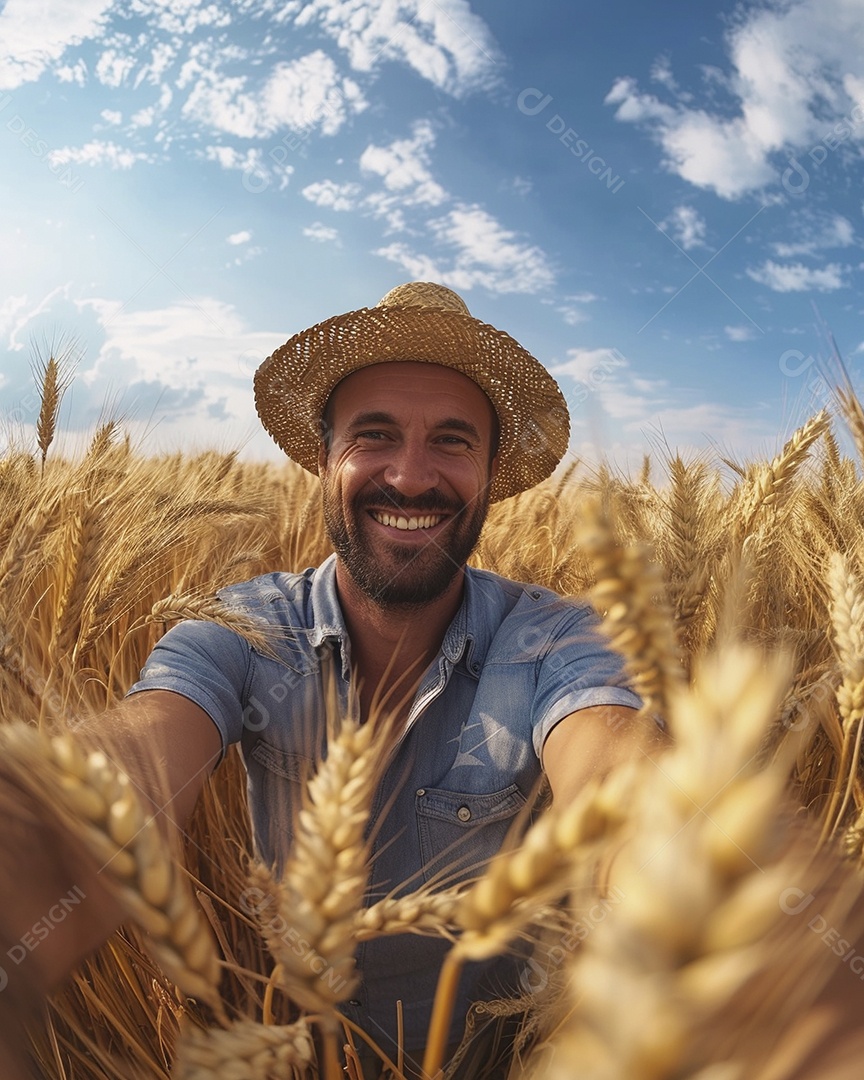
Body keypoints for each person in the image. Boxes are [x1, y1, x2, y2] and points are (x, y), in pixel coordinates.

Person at [0, 281, 655, 1078]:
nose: (411, 478)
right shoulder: (238, 630)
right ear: (323, 459)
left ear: (489, 472)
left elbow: (623, 774)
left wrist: (723, 903)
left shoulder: (556, 639)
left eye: (452, 441)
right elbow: (129, 765)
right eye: (374, 435)